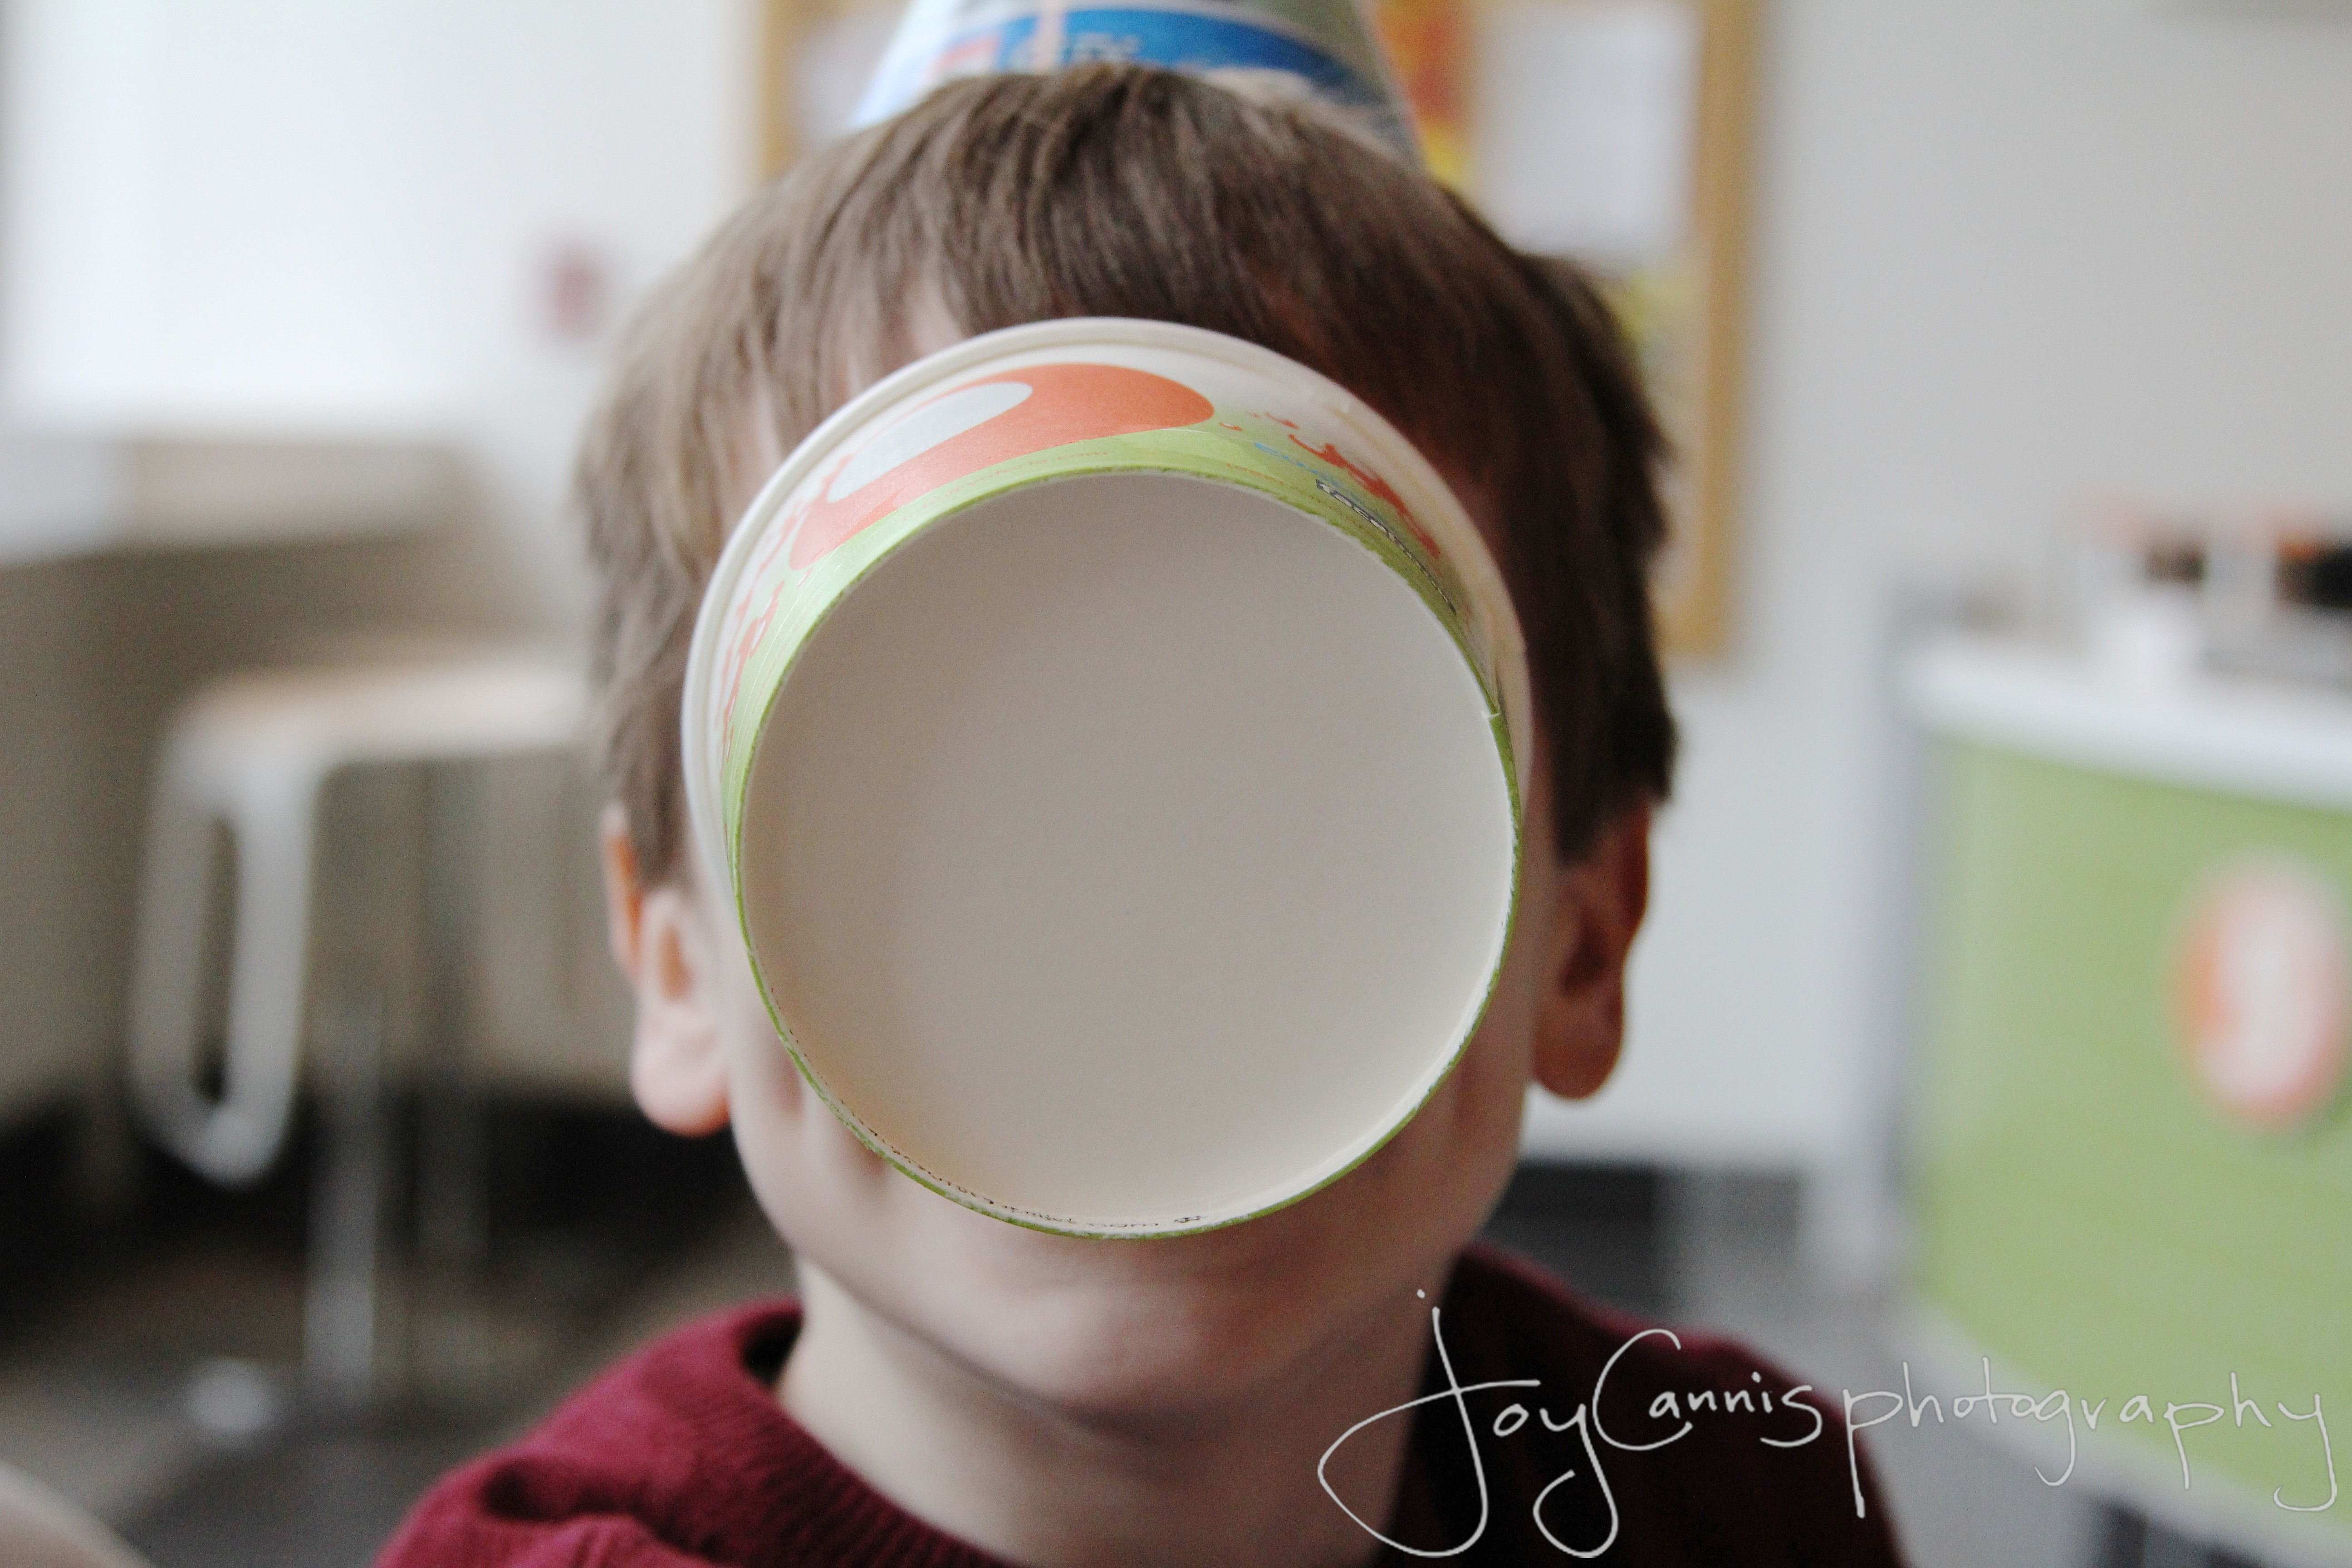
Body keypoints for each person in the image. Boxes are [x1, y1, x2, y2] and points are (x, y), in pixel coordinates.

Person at [380, 64, 1905, 1568]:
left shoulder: (1743, 1509)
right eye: (931, 786)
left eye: (1306, 780)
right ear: (676, 965)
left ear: (1582, 940)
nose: (1125, 953)